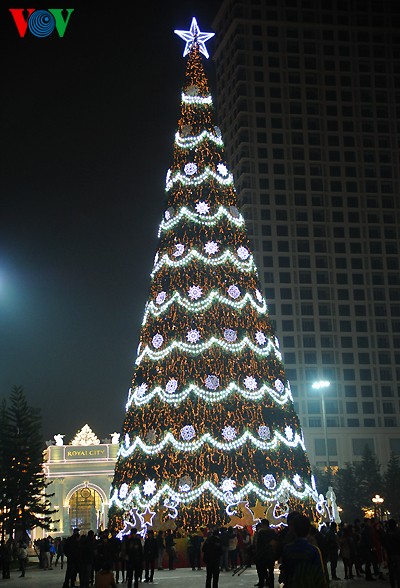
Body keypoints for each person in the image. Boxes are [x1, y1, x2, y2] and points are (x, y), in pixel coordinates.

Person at [280, 514, 328, 588]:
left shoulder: (287, 549)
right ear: (308, 529)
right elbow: (319, 574)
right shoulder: (314, 550)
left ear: (293, 530)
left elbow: (285, 572)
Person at [253, 519, 277, 588]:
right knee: (271, 571)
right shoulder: (273, 532)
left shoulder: (261, 533)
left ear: (263, 525)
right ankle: (271, 584)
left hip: (262, 554)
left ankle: (261, 583)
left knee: (262, 570)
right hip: (270, 554)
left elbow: (259, 545)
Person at [381, 518, 400, 588]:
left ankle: (393, 586)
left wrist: (385, 557)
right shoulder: (398, 532)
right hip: (398, 554)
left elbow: (383, 545)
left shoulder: (386, 533)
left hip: (390, 555)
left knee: (391, 573)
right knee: (398, 572)